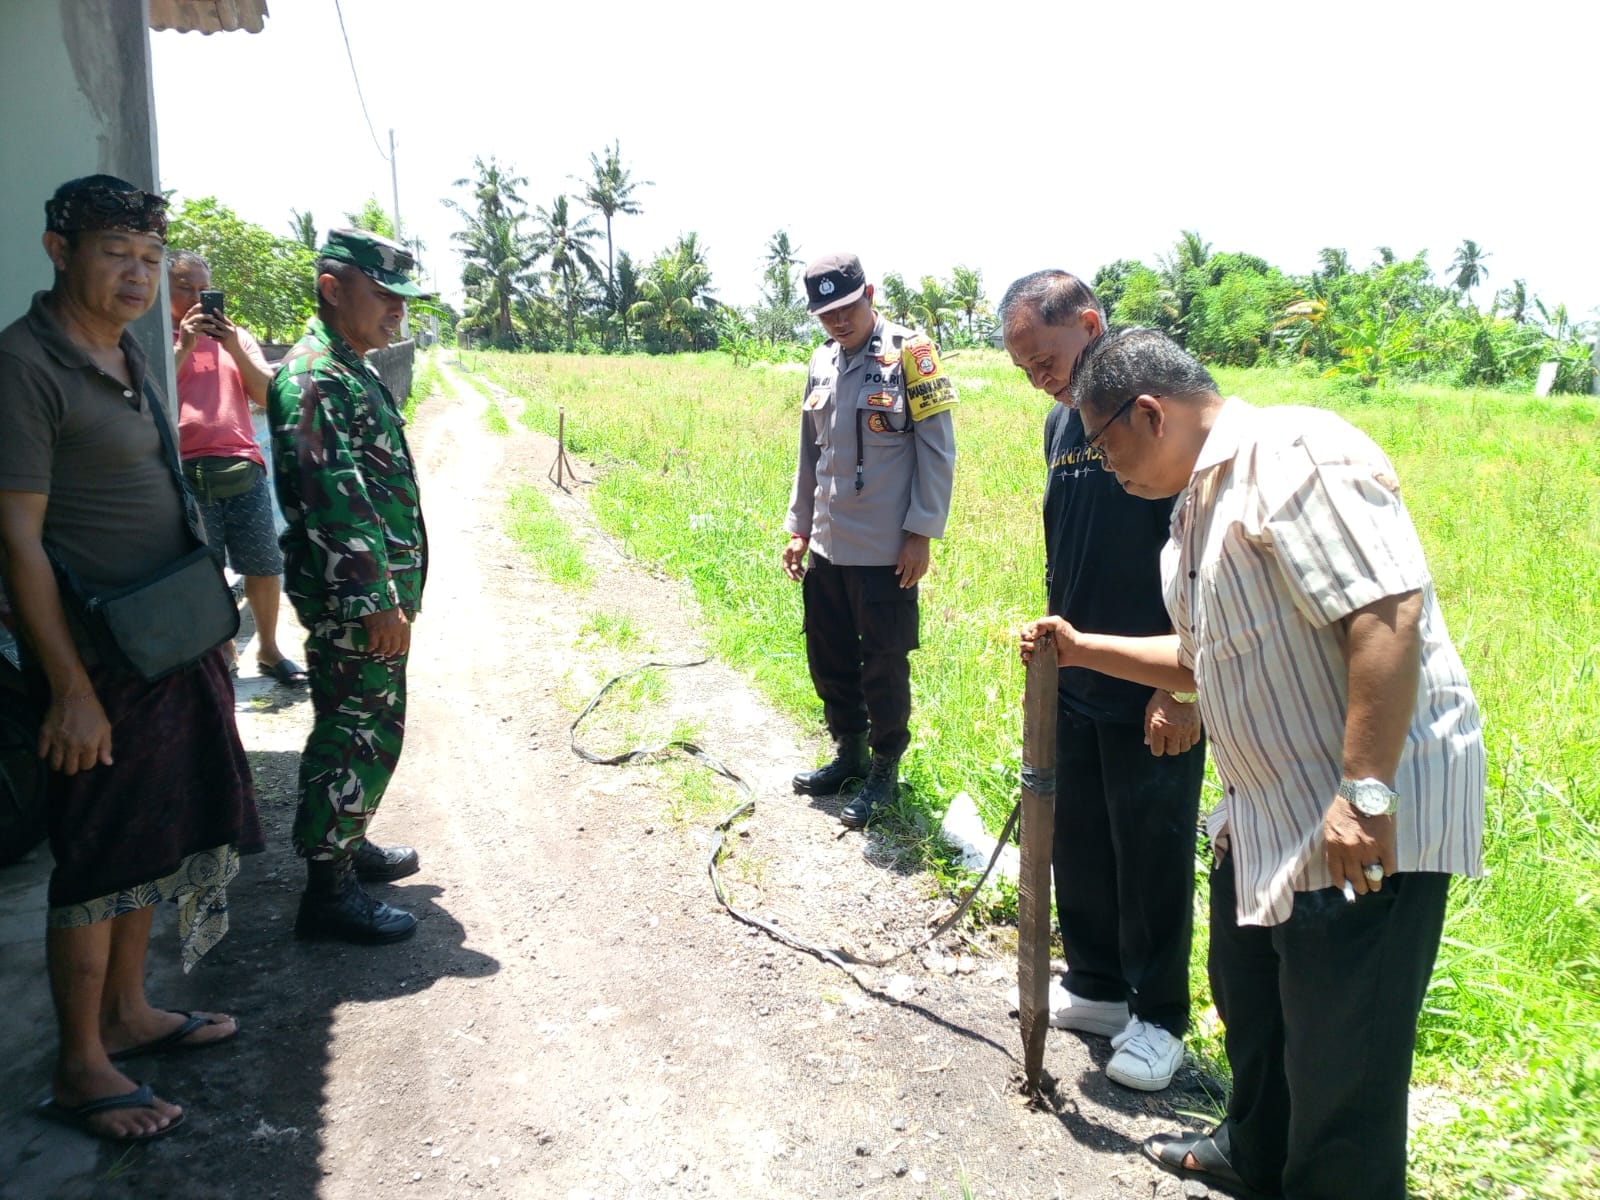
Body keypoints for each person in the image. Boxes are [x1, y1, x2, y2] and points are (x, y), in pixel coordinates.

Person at [1020, 327, 1485, 1200]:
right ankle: (1255, 1152)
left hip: (1358, 821)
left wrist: (1365, 794)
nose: (1099, 464)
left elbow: (1388, 615)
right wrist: (1081, 648)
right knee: (1254, 1009)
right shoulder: (1194, 511)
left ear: (1149, 414)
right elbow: (1200, 660)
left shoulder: (1295, 455)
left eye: (1105, 444)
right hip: (1270, 814)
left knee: (1341, 1063)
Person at [0, 175, 262, 1143]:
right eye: (117, 252)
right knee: (97, 855)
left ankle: (129, 1013)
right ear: (58, 249)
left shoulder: (125, 350)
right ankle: (79, 1064)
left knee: (153, 841)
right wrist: (67, 687)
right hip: (96, 658)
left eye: (151, 258)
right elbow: (17, 542)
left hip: (169, 639)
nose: (137, 274)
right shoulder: (23, 367)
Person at [999, 272, 1205, 1091]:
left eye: (1043, 355)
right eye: (1023, 367)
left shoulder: (1162, 421)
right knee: (1078, 840)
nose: (1037, 377)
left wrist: (1182, 687)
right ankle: (1095, 986)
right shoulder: (1062, 427)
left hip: (1155, 676)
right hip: (1076, 666)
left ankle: (1159, 1015)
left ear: (1088, 324)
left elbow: (1196, 563)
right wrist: (1058, 641)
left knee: (1150, 854)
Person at [269, 229, 429, 944]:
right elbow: (334, 497)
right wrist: (375, 601)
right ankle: (327, 891)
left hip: (367, 596)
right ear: (333, 290)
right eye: (382, 294)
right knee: (355, 730)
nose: (396, 310)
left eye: (401, 296)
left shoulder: (346, 366)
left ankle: (348, 838)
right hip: (356, 601)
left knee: (358, 724)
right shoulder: (315, 378)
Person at [782, 253, 957, 828]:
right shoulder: (820, 362)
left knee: (883, 662)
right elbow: (811, 453)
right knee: (829, 653)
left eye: (846, 307)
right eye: (825, 313)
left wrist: (921, 533)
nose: (837, 321)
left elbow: (938, 450)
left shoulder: (913, 353)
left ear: (870, 292)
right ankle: (849, 754)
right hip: (829, 545)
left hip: (886, 551)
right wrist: (800, 526)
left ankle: (884, 771)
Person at [167, 249, 306, 686]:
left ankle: (268, 648)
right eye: (184, 287)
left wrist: (230, 345)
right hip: (184, 470)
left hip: (241, 461)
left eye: (202, 288)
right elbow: (149, 393)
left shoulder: (237, 336)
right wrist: (182, 346)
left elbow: (268, 395)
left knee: (263, 563)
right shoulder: (152, 337)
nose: (195, 296)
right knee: (203, 568)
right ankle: (221, 650)